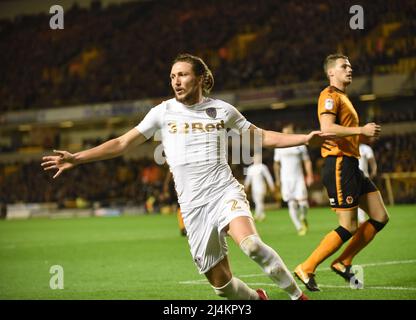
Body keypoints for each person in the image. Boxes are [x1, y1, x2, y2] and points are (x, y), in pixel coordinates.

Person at [41, 53, 332, 300]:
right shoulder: (162, 113)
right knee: (223, 287)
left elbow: (262, 136)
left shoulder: (222, 110)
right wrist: (77, 158)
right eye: (172, 76)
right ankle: (257, 298)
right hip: (193, 207)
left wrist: (304, 139)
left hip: (224, 192)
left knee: (252, 245)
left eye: (182, 75)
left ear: (201, 78)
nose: (176, 81)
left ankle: (298, 296)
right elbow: (121, 143)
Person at [294, 54, 389, 292]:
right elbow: (326, 129)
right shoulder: (329, 96)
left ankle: (343, 262)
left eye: (350, 65)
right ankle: (307, 267)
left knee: (380, 216)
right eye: (344, 66)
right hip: (338, 164)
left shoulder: (343, 97)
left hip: (351, 164)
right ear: (331, 73)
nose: (350, 68)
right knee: (349, 226)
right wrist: (362, 130)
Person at [273, 123, 314, 236]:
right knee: (291, 204)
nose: (286, 133)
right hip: (286, 179)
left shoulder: (300, 145)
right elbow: (276, 164)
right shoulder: (279, 147)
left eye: (288, 131)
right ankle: (299, 227)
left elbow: (307, 161)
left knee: (304, 204)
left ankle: (303, 217)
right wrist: (277, 179)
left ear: (292, 131)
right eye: (284, 131)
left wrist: (309, 175)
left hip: (298, 178)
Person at [244, 153, 275, 222]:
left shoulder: (263, 167)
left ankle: (256, 215)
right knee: (257, 201)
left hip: (261, 187)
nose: (257, 159)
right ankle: (262, 215)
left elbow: (268, 177)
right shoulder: (250, 168)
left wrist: (271, 185)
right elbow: (248, 179)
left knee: (259, 201)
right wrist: (246, 186)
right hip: (254, 188)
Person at [358, 142, 378, 224]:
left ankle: (366, 221)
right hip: (353, 180)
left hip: (365, 178)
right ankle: (362, 221)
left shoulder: (366, 148)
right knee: (358, 202)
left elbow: (372, 162)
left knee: (369, 201)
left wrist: (373, 172)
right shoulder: (348, 147)